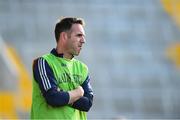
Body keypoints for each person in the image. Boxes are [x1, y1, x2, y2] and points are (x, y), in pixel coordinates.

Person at [31, 17, 93, 120]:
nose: (83, 41)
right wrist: (76, 93)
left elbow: (87, 104)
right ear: (64, 36)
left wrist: (62, 94)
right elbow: (53, 98)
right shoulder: (43, 62)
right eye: (79, 35)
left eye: (83, 36)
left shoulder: (83, 68)